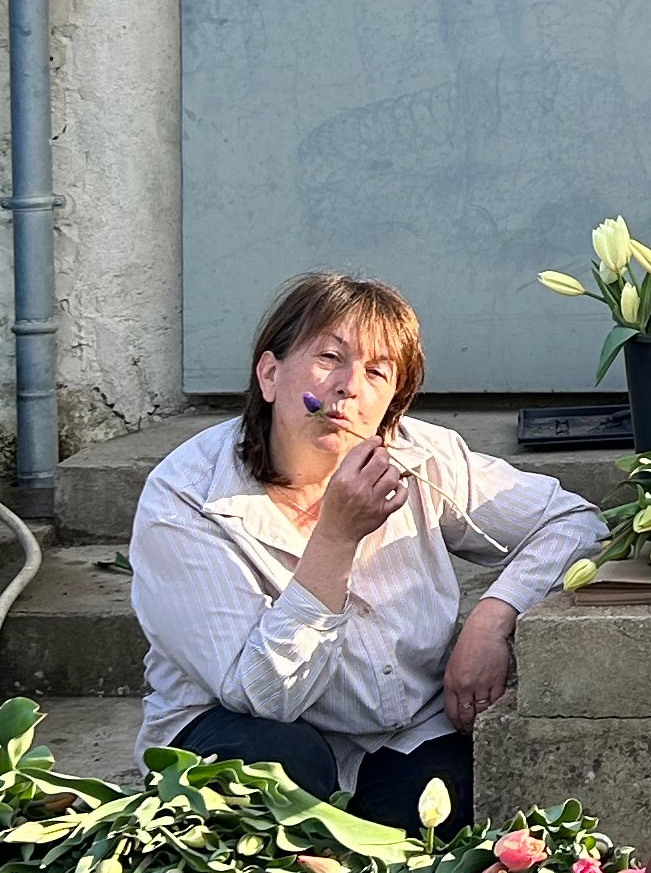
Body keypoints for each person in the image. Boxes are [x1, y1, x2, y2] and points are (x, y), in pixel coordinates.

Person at [129, 271, 603, 828]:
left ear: (390, 406)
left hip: (401, 730)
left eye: (376, 373)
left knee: (434, 835)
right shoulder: (186, 499)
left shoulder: (422, 456)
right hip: (240, 726)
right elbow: (262, 696)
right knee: (283, 765)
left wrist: (492, 619)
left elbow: (575, 522)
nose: (349, 387)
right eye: (330, 358)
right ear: (270, 374)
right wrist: (335, 538)